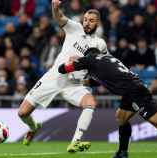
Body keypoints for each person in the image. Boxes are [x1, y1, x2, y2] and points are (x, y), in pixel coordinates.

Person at [58, 48, 157, 158]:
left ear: (89, 57)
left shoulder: (89, 60)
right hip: (131, 90)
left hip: (136, 92)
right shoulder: (107, 60)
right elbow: (98, 81)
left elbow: (62, 69)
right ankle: (122, 153)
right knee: (121, 117)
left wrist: (73, 62)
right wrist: (80, 81)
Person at [17, 0, 107, 153]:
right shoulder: (75, 28)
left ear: (98, 23)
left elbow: (102, 69)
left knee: (90, 102)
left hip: (75, 84)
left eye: (91, 20)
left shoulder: (100, 44)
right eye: (85, 19)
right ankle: (33, 127)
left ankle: (75, 142)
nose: (87, 23)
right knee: (23, 113)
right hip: (55, 77)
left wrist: (88, 79)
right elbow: (59, 18)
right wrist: (55, 7)